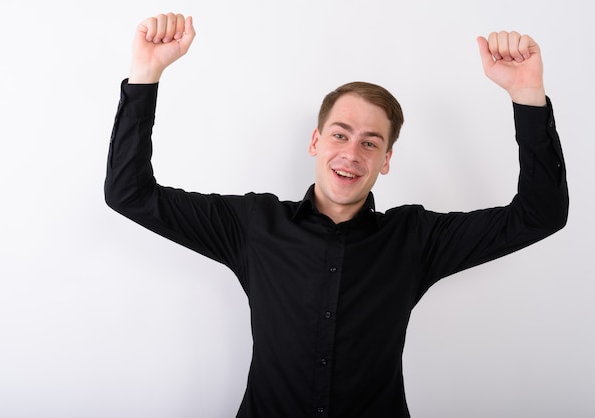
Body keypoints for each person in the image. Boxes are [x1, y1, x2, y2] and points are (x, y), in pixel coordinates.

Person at [105, 12, 568, 418]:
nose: (352, 153)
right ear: (315, 142)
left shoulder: (416, 239)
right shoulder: (252, 225)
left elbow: (539, 215)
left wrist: (527, 96)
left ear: (386, 159)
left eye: (370, 142)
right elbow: (130, 193)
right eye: (340, 134)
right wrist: (145, 77)